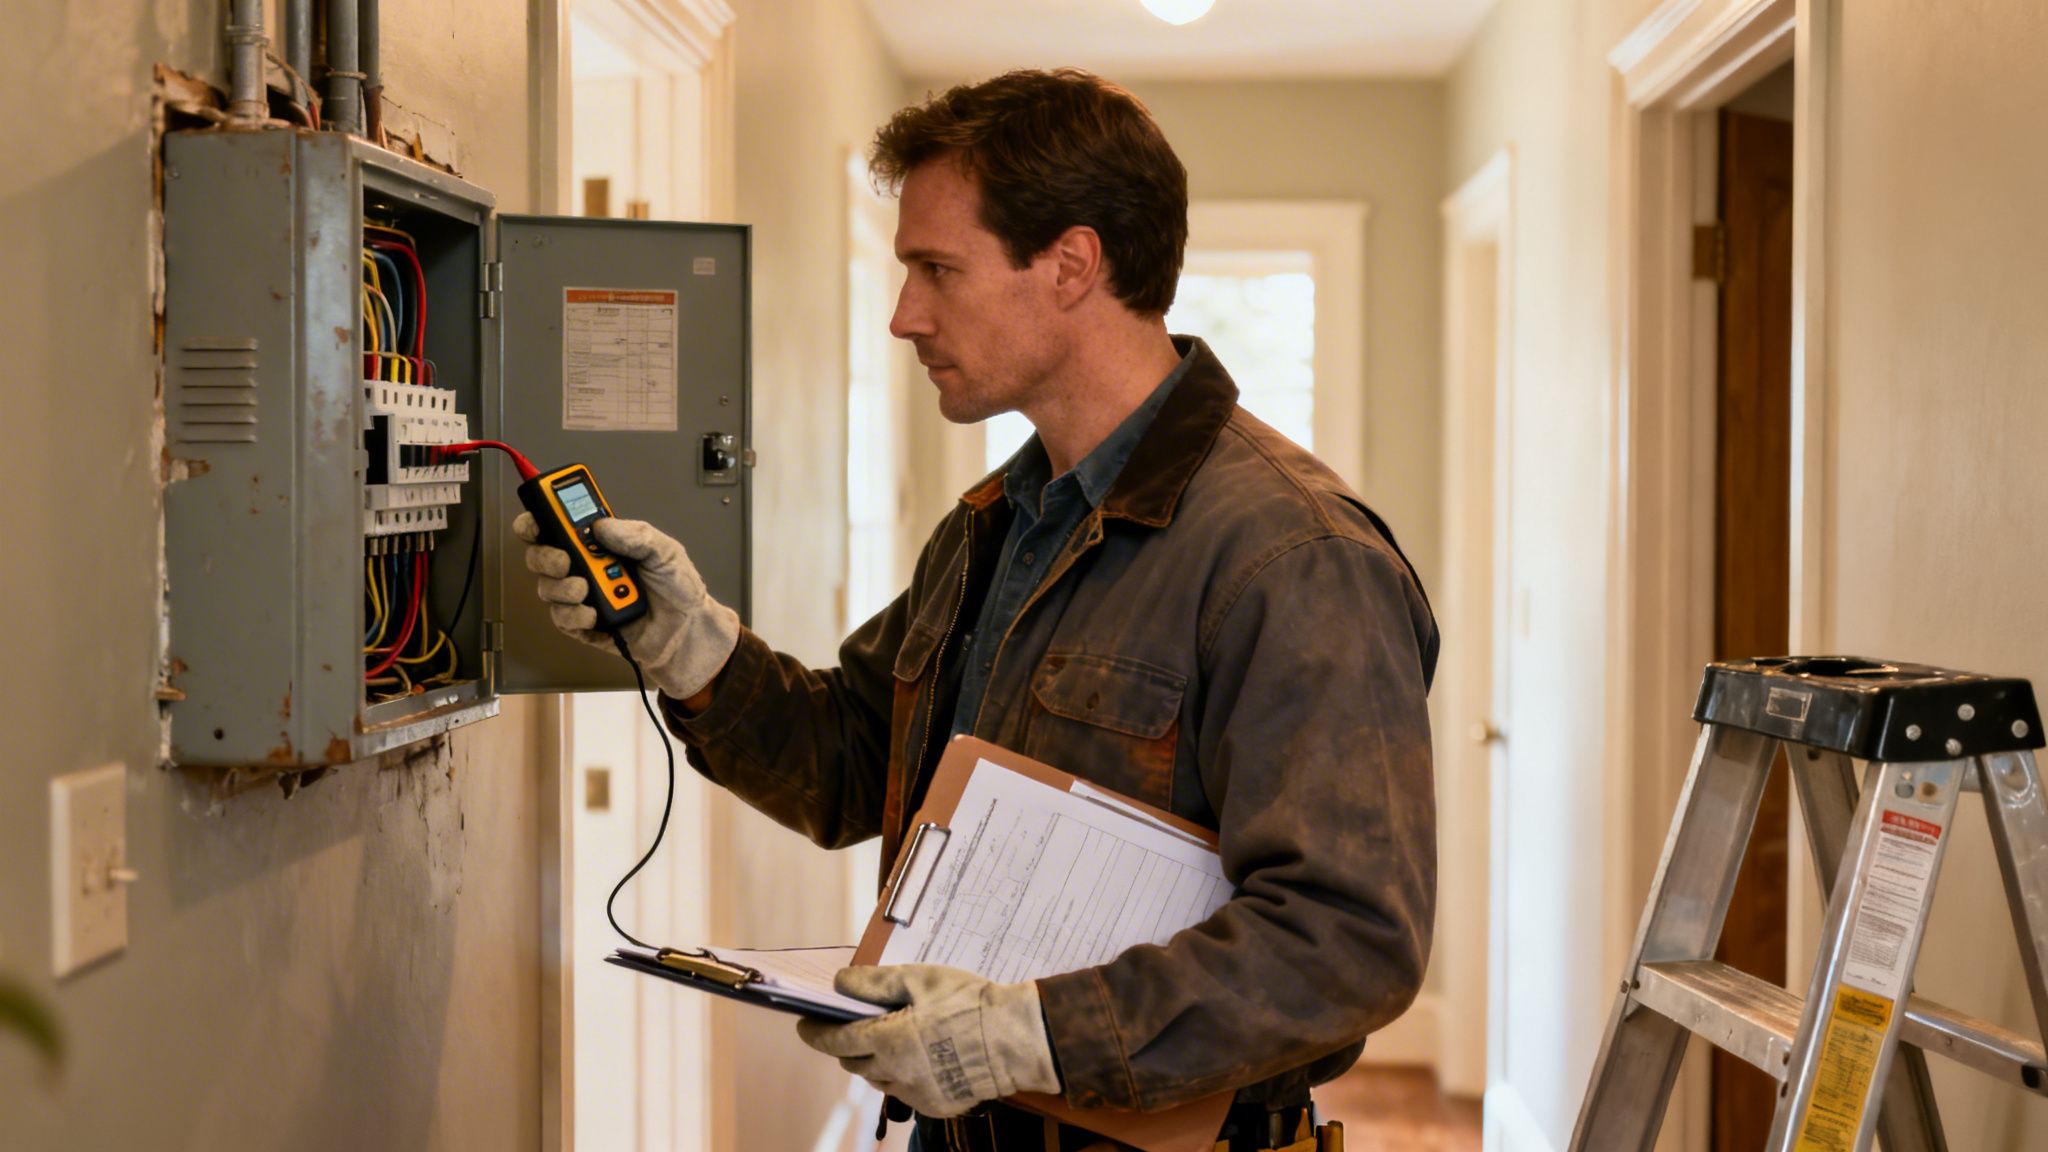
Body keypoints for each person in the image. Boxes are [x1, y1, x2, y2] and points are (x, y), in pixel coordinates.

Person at [518, 68, 1438, 1152]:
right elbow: (852, 762)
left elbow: (1346, 938)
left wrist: (1031, 1037)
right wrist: (691, 648)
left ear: (1070, 265)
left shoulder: (1292, 554)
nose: (905, 315)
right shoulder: (996, 523)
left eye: (935, 269)